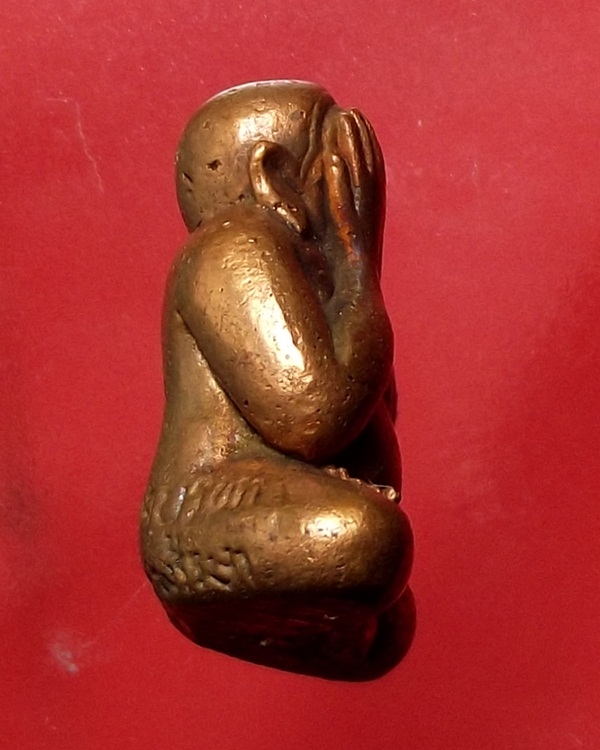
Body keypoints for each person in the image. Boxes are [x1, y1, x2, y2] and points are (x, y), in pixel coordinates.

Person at [141, 81, 412, 646]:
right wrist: (359, 265)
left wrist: (353, 268)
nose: (353, 197)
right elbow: (314, 418)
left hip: (288, 499)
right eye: (337, 176)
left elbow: (372, 429)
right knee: (364, 537)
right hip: (204, 514)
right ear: (272, 176)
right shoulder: (234, 245)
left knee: (390, 605)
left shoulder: (307, 271)